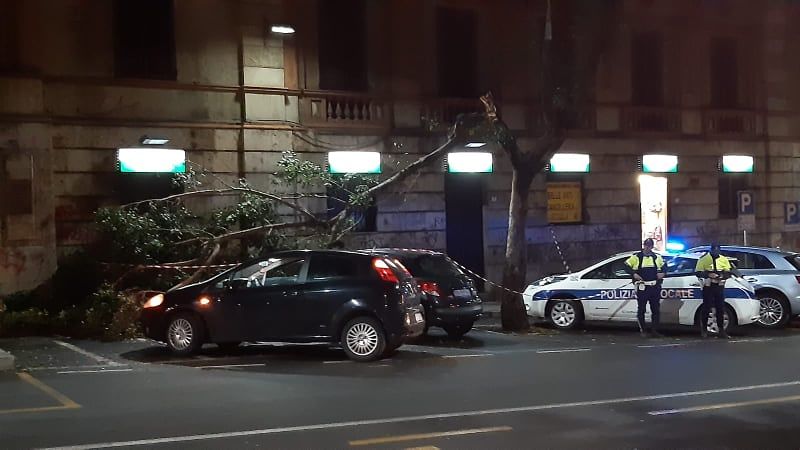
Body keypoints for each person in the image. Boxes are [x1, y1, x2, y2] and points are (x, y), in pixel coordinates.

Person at [625, 238, 666, 337]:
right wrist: (634, 274)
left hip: (654, 287)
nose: (647, 247)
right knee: (641, 309)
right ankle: (643, 330)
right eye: (646, 245)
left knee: (655, 310)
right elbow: (626, 266)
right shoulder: (636, 257)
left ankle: (655, 331)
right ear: (644, 245)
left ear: (652, 246)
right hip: (642, 287)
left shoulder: (657, 257)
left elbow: (665, 266)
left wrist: (663, 273)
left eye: (649, 246)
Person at [695, 243, 732, 339]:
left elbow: (728, 272)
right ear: (711, 250)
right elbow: (698, 273)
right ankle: (704, 330)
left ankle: (721, 330)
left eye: (717, 251)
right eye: (714, 250)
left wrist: (722, 276)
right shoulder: (703, 259)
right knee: (706, 308)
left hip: (719, 286)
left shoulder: (724, 259)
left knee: (720, 308)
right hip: (708, 286)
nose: (716, 252)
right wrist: (708, 275)